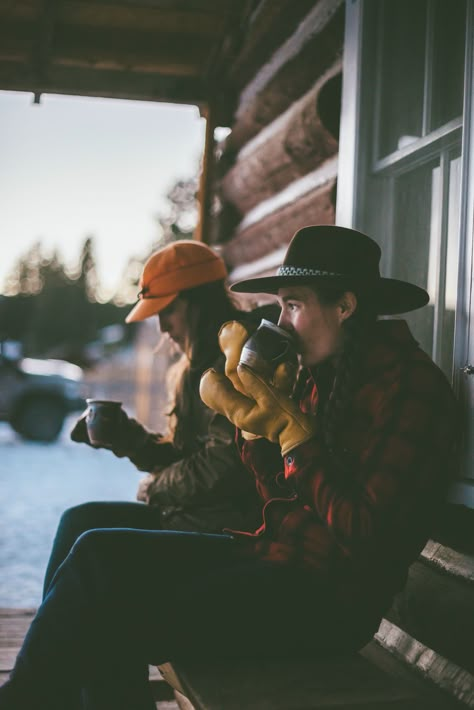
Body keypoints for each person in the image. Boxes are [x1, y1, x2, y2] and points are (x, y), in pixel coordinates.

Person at [0, 225, 458, 710]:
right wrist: (254, 431)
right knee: (95, 550)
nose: (282, 321)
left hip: (323, 604)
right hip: (275, 559)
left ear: (344, 306)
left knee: (110, 606)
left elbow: (364, 532)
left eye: (294, 304)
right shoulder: (325, 376)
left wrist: (297, 442)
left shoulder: (410, 389)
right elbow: (276, 495)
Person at [42, 239, 267, 595]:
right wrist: (124, 437)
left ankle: (59, 642)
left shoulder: (239, 362)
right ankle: (57, 639)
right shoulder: (189, 370)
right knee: (79, 522)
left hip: (230, 526)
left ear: (198, 304)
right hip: (193, 516)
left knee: (92, 546)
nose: (162, 327)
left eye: (168, 311)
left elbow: (225, 466)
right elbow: (184, 456)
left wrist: (156, 486)